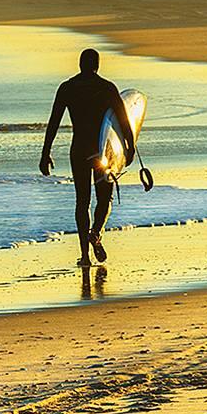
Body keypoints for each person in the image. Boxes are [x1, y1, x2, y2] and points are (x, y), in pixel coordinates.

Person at [40, 48, 132, 268]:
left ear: (80, 64)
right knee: (104, 199)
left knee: (82, 202)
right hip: (103, 152)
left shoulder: (67, 88)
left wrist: (45, 153)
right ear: (97, 65)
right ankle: (96, 234)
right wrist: (130, 148)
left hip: (79, 150)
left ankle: (85, 256)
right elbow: (124, 120)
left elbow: (53, 121)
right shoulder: (108, 88)